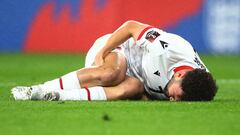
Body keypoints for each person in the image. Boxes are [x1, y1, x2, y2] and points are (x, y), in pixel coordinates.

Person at [11, 20, 218, 101]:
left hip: (135, 77)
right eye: (176, 96)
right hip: (118, 51)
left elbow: (148, 91)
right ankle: (35, 90)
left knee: (133, 87)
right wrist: (104, 51)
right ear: (180, 74)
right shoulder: (167, 48)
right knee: (113, 74)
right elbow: (130, 27)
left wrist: (143, 95)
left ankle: (57, 95)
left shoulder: (196, 85)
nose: (173, 100)